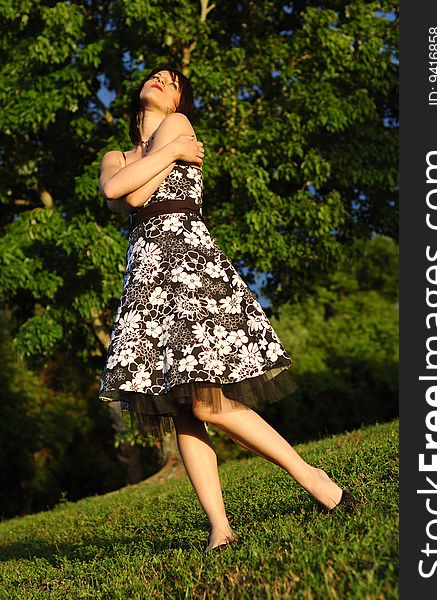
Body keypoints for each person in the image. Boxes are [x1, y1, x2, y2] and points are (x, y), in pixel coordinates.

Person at [98, 66, 356, 552]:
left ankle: (312, 476)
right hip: (147, 280)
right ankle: (220, 526)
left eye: (172, 82)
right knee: (183, 411)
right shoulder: (116, 156)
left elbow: (133, 193)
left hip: (190, 267)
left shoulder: (178, 126)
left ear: (179, 103)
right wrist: (169, 158)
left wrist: (170, 149)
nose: (161, 81)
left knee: (203, 402)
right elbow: (119, 191)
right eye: (155, 76)